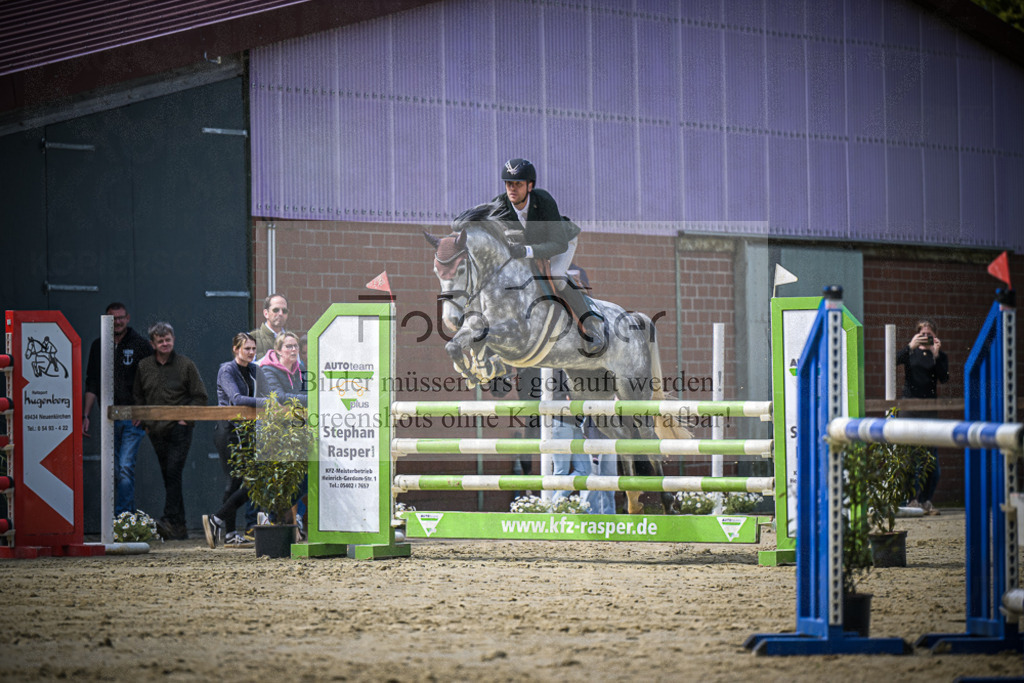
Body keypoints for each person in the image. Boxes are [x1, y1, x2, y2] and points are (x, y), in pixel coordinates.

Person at [491, 158, 603, 354]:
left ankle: (590, 327)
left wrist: (527, 251)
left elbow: (558, 243)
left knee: (557, 276)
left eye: (518, 184)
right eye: (509, 184)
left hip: (562, 242)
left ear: (530, 186)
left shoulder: (543, 200)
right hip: (530, 249)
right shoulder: (499, 205)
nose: (512, 189)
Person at [132, 322, 208, 540]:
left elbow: (200, 396)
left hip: (179, 429)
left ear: (173, 339)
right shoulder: (144, 366)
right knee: (169, 476)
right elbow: (138, 395)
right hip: (155, 431)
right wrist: (146, 423)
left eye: (168, 339)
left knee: (173, 472)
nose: (165, 343)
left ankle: (168, 518)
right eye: (160, 341)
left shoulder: (186, 365)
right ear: (152, 343)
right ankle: (180, 526)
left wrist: (186, 419)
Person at [83, 302, 153, 516]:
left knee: (124, 467)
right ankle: (128, 519)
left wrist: (143, 411)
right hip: (107, 417)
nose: (118, 322)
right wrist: (85, 415)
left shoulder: (141, 345)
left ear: (128, 318)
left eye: (121, 317)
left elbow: (151, 381)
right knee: (113, 469)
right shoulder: (98, 346)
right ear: (106, 319)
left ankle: (121, 517)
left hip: (132, 417)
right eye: (113, 318)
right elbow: (92, 382)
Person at [203, 333, 272, 548]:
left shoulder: (255, 369)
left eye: (253, 349)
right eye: (247, 349)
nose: (251, 353)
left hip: (247, 429)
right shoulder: (227, 370)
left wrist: (270, 401)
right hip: (229, 430)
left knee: (241, 481)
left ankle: (225, 528)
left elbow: (269, 393)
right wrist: (267, 403)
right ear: (235, 349)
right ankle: (219, 522)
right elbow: (237, 399)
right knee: (240, 479)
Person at [896, 318, 950, 515]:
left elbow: (943, 378)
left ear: (935, 336)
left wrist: (935, 355)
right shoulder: (910, 353)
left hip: (929, 411)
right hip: (910, 408)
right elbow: (894, 360)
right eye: (922, 334)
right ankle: (910, 499)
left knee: (930, 460)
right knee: (909, 457)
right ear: (916, 334)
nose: (926, 337)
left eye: (930, 334)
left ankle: (926, 499)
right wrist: (910, 346)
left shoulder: (939, 356)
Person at [261, 332, 307, 405]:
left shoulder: (301, 368)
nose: (294, 349)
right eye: (289, 346)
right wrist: (309, 399)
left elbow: (310, 392)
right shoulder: (268, 370)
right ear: (278, 351)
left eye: (296, 346)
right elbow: (280, 397)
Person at [250, 293, 290, 359]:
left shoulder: (292, 339)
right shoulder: (251, 339)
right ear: (266, 313)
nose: (280, 313)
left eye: (284, 311)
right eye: (276, 310)